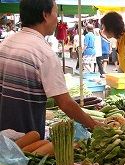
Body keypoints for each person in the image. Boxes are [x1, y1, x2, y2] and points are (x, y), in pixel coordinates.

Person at [0, 0, 100, 139]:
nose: (57, 19)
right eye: (56, 13)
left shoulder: (5, 43)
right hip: (26, 140)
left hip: (3, 135)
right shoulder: (44, 53)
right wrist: (95, 125)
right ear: (45, 15)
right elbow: (65, 104)